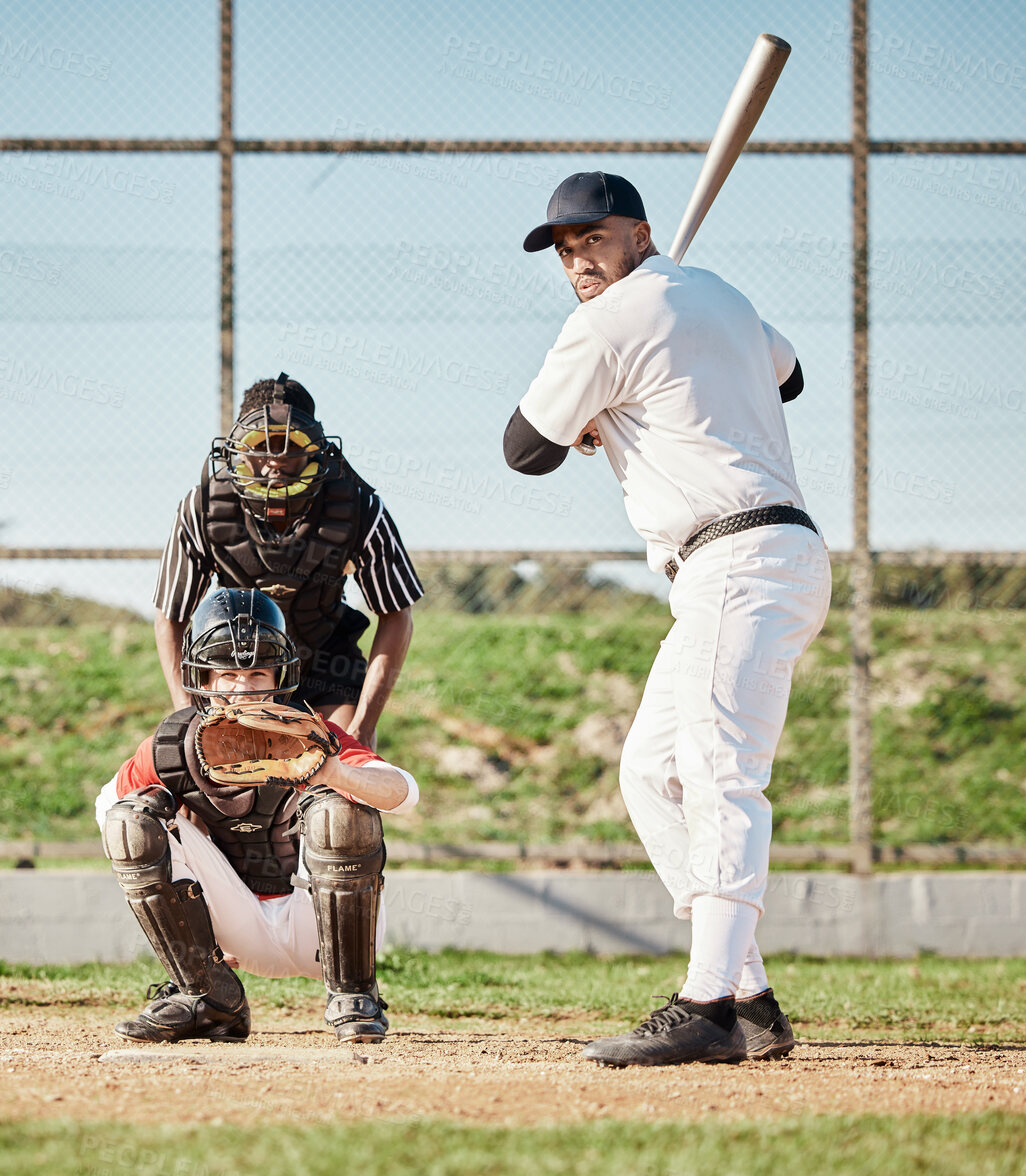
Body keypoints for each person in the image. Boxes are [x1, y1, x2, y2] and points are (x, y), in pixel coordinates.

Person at [503, 171, 830, 1067]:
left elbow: (523, 449)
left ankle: (705, 1002)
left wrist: (603, 394)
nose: (577, 259)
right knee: (650, 772)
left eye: (594, 239)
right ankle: (749, 993)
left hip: (740, 558)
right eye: (564, 248)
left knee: (721, 773)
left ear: (639, 233)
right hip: (747, 564)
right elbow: (789, 376)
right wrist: (659, 348)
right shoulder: (719, 295)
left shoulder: (609, 321)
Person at [95, 587, 420, 1044]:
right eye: (226, 674)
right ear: (202, 681)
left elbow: (403, 793)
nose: (243, 689)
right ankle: (208, 996)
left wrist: (332, 770)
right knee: (132, 821)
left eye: (257, 672)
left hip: (325, 934)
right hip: (237, 931)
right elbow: (109, 811)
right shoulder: (174, 749)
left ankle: (354, 993)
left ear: (281, 676)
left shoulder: (316, 735)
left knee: (338, 809)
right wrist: (177, 817)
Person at [153, 374, 422, 747]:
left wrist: (362, 728)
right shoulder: (203, 508)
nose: (273, 465)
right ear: (237, 450)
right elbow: (171, 617)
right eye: (261, 447)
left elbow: (397, 614)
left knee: (343, 779)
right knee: (206, 788)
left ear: (315, 451)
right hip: (238, 671)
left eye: (288, 448)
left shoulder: (357, 506)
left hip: (326, 668)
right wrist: (185, 710)